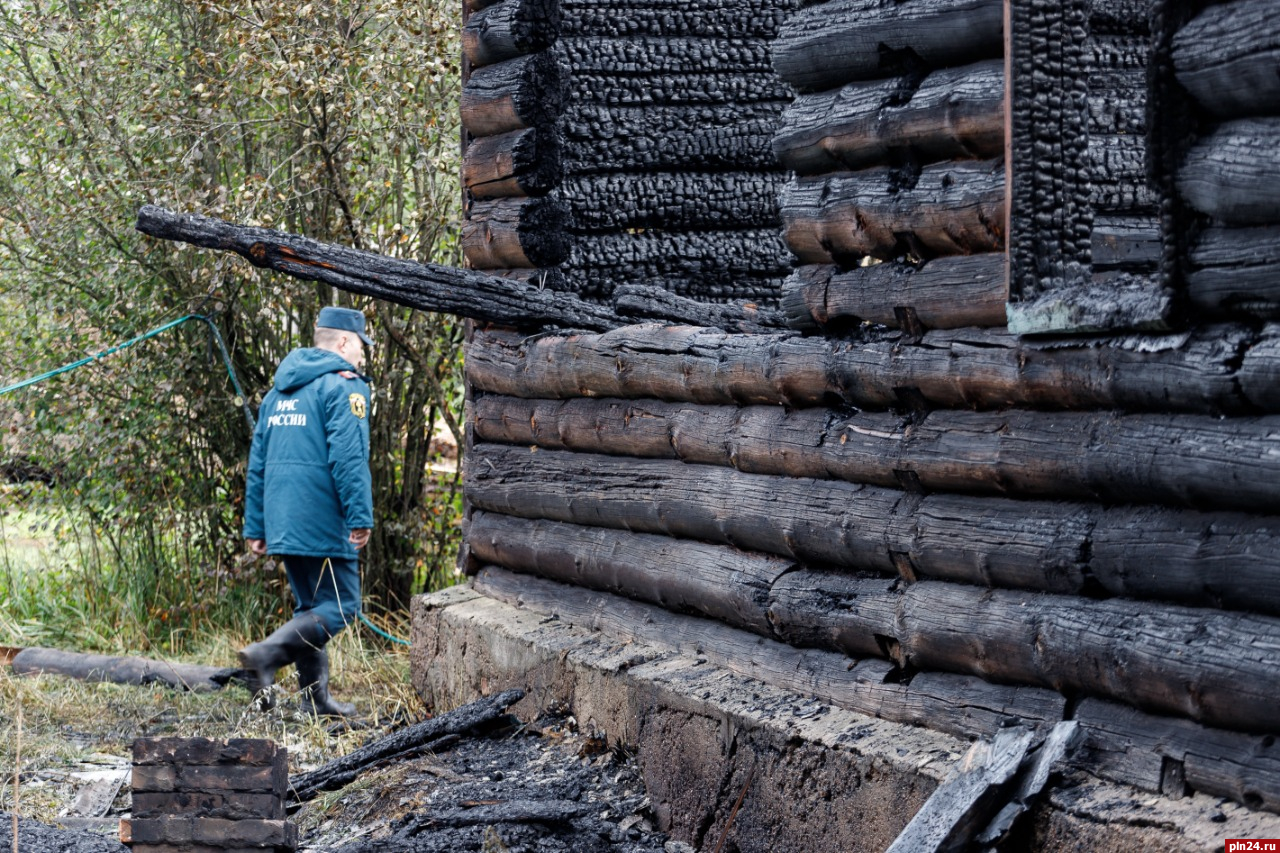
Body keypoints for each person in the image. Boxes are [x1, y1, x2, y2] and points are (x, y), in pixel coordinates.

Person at [240, 306, 374, 717]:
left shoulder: (277, 393)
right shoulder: (343, 387)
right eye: (360, 349)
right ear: (344, 341)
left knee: (309, 607)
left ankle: (315, 702)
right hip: (321, 515)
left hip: (282, 516)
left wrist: (256, 524)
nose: (361, 359)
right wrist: (360, 516)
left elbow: (258, 462)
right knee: (343, 605)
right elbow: (349, 458)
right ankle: (265, 655)